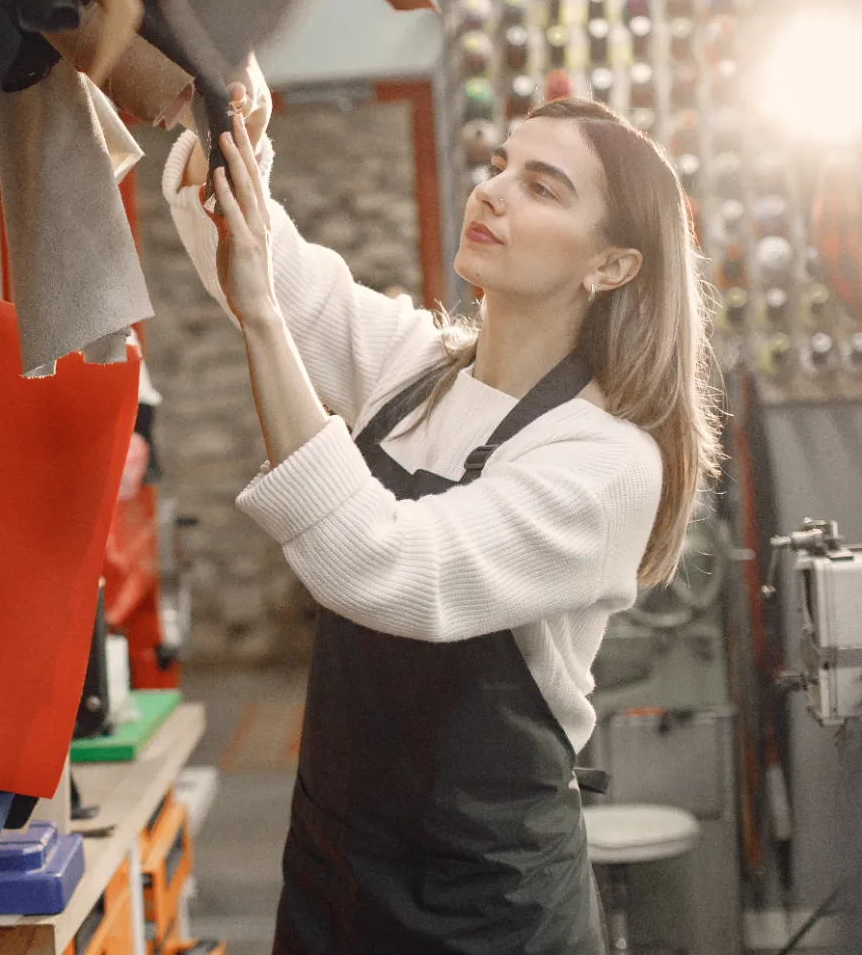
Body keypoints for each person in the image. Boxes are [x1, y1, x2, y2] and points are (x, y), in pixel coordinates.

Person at [165, 59, 721, 954]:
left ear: (613, 264)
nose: (492, 192)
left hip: (487, 903)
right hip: (335, 863)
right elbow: (270, 267)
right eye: (500, 164)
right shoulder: (419, 369)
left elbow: (389, 567)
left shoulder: (605, 461)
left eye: (540, 186)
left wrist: (262, 321)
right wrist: (234, 132)